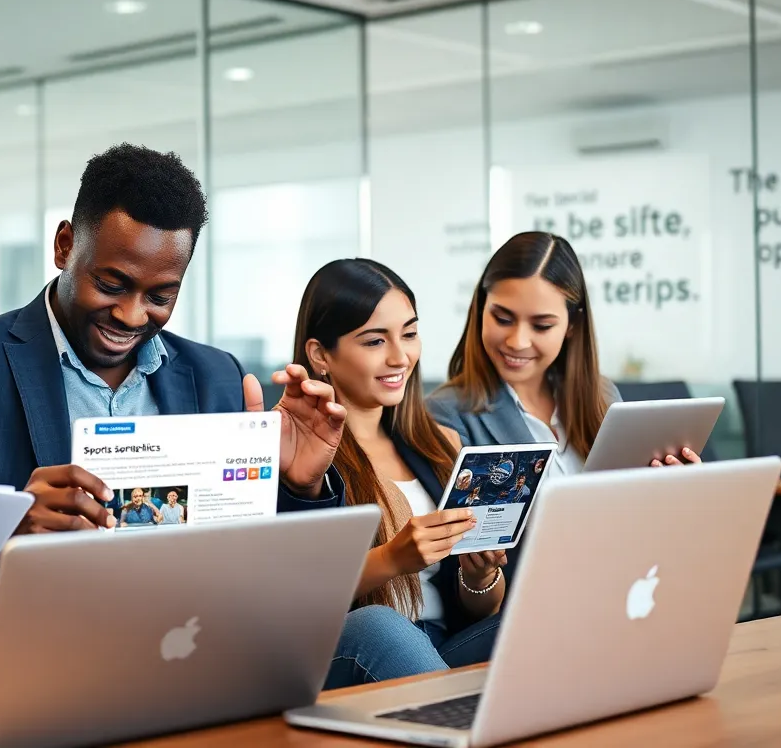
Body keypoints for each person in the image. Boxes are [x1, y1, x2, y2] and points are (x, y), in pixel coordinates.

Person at [0, 144, 347, 624]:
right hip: (37, 650)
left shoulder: (216, 377)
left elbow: (272, 581)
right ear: (65, 246)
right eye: (111, 285)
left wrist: (298, 487)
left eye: (161, 296)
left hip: (189, 645)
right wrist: (5, 540)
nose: (131, 315)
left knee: (372, 633)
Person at [290, 258, 509, 690]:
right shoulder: (300, 452)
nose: (400, 356)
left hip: (436, 648)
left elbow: (479, 609)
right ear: (320, 355)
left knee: (544, 608)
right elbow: (293, 593)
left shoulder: (441, 443)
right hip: (348, 644)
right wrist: (392, 559)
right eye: (375, 341)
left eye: (409, 334)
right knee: (381, 625)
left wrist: (480, 576)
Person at [427, 232, 701, 471]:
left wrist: (671, 488)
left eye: (542, 325)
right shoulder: (446, 414)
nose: (518, 341)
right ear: (480, 310)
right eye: (503, 319)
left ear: (572, 325)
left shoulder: (603, 397)